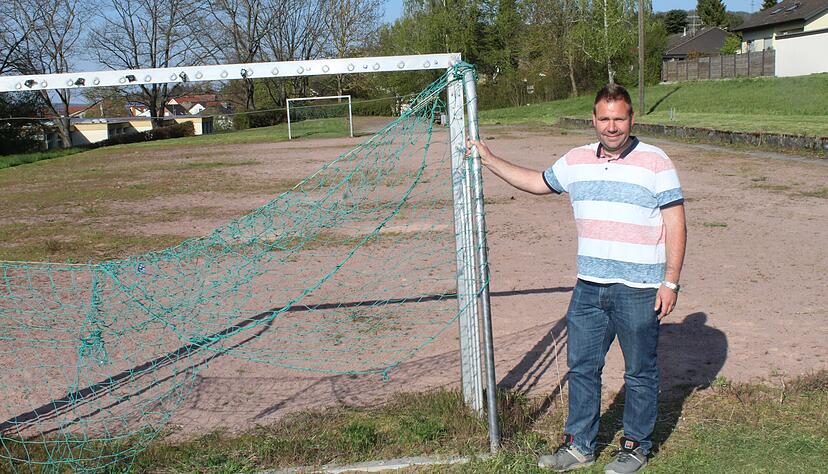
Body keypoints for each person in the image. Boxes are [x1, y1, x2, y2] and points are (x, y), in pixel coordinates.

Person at [468, 83, 686, 474]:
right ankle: (579, 446)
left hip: (638, 290)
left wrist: (669, 282)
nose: (612, 126)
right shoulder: (576, 160)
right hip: (588, 288)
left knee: (639, 371)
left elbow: (675, 221)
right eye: (604, 119)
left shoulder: (656, 161)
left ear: (631, 118)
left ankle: (635, 447)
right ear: (594, 119)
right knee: (582, 368)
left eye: (619, 118)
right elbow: (537, 182)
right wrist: (489, 159)